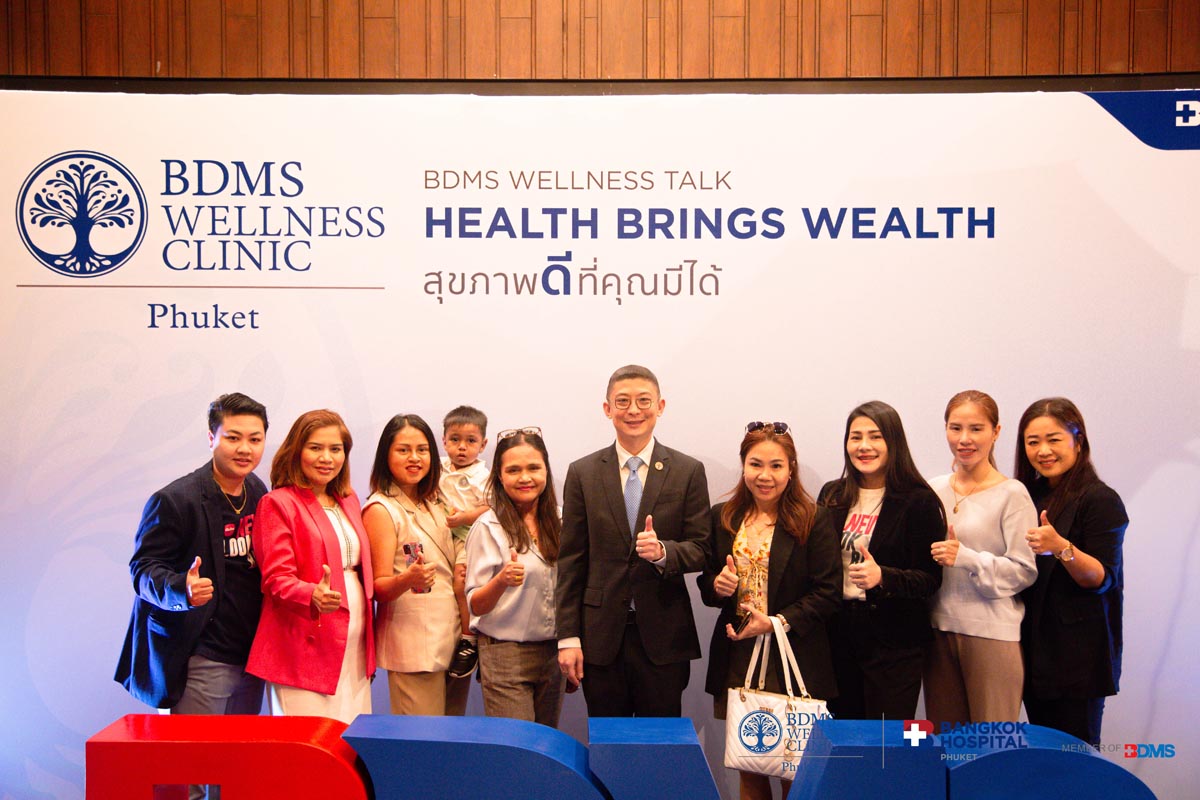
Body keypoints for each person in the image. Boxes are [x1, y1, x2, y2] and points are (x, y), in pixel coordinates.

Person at [115, 393, 269, 800]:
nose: (245, 448)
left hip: (250, 656)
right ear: (211, 437)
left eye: (255, 439)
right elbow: (142, 569)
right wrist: (181, 589)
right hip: (201, 655)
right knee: (189, 778)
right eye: (233, 437)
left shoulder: (257, 490)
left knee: (234, 776)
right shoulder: (176, 499)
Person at [556, 364, 711, 717]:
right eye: (622, 401)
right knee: (608, 740)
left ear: (660, 406)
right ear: (607, 408)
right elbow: (571, 561)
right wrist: (568, 636)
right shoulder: (583, 473)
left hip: (664, 636)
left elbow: (702, 548)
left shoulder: (688, 471)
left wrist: (663, 553)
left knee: (660, 741)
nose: (633, 410)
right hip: (600, 638)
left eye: (644, 401)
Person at [698, 422, 840, 800]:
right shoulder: (723, 517)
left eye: (776, 465)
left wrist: (777, 622)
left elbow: (828, 592)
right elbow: (708, 584)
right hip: (738, 654)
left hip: (794, 658)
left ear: (791, 469)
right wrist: (717, 586)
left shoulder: (814, 519)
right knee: (750, 766)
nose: (765, 475)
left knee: (795, 769)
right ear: (743, 466)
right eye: (755, 464)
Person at [817, 401, 945, 721]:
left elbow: (930, 579)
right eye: (855, 437)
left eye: (875, 437)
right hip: (837, 638)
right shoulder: (832, 495)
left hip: (894, 643)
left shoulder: (918, 500)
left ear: (893, 442)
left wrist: (883, 577)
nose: (864, 446)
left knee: (889, 740)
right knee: (843, 737)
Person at [245, 409, 374, 723]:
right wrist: (311, 593)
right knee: (306, 742)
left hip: (354, 640)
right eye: (316, 448)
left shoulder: (348, 499)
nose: (326, 458)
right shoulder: (277, 502)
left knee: (350, 737)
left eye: (335, 449)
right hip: (302, 641)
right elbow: (275, 578)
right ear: (296, 451)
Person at [1016, 398, 1128, 747]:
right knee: (1043, 756)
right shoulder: (1027, 496)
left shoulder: (1100, 499)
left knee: (1076, 759)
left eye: (1054, 439)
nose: (1043, 451)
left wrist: (1060, 546)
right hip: (1034, 652)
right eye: (1033, 442)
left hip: (1078, 659)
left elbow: (1101, 578)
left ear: (1078, 442)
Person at [924, 390, 1037, 729]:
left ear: (996, 432)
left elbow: (1024, 569)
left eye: (976, 429)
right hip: (938, 630)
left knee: (993, 747)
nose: (964, 439)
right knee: (946, 746)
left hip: (991, 634)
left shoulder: (1012, 493)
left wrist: (968, 558)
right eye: (955, 428)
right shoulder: (933, 489)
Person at [364, 414, 469, 715]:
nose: (414, 458)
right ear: (386, 456)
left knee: (452, 735)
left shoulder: (436, 503)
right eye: (403, 450)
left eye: (422, 450)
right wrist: (407, 579)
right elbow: (378, 588)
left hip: (452, 639)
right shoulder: (381, 509)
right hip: (413, 649)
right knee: (423, 738)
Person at [465, 427, 565, 725]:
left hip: (554, 653)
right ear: (499, 476)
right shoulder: (488, 526)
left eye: (533, 468)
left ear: (546, 470)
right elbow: (476, 605)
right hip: (505, 655)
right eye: (513, 470)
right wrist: (501, 580)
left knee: (547, 745)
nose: (525, 478)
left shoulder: (563, 520)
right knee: (517, 745)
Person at [439, 405, 492, 679]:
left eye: (471, 441)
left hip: (469, 537)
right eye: (455, 439)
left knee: (461, 583)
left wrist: (466, 517)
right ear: (444, 441)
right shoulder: (438, 468)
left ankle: (469, 640)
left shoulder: (483, 477)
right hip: (442, 537)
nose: (462, 447)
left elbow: (493, 506)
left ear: (483, 445)